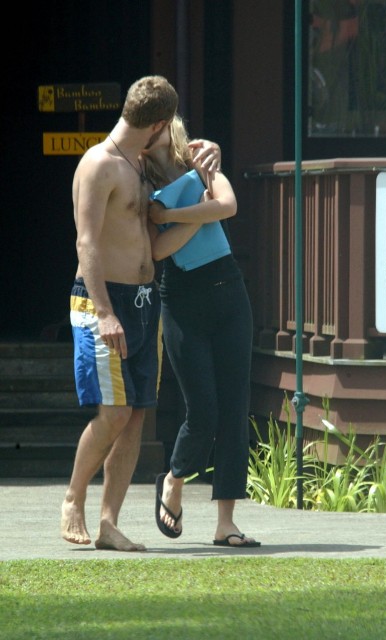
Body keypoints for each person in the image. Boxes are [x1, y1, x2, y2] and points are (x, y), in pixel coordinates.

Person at [61, 76, 221, 552]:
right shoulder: (99, 164)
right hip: (102, 302)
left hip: (145, 300)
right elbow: (86, 242)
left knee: (135, 418)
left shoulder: (144, 162)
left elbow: (188, 168)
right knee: (114, 413)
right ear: (158, 123)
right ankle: (72, 498)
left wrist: (211, 151)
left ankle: (109, 523)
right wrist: (105, 312)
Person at [145, 115, 261, 547]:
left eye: (157, 121)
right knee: (203, 410)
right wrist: (201, 210)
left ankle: (225, 522)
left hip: (228, 291)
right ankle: (174, 480)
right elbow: (159, 248)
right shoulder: (139, 178)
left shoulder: (202, 157)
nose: (150, 129)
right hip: (181, 300)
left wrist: (172, 215)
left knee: (234, 407)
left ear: (169, 125)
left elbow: (226, 205)